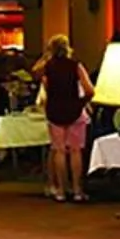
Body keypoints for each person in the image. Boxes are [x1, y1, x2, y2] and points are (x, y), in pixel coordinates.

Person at [39, 35, 93, 203]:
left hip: (54, 111)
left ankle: (61, 190)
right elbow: (90, 90)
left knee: (59, 150)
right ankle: (77, 190)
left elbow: (46, 89)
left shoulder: (48, 67)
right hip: (74, 111)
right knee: (76, 151)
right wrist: (80, 103)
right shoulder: (76, 66)